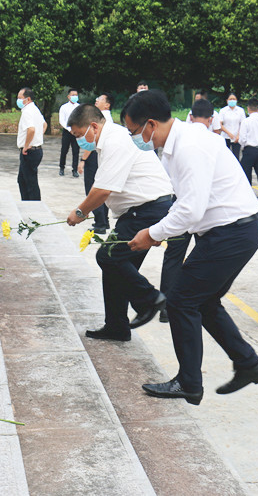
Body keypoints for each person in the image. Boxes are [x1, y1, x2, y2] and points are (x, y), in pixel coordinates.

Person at [124, 92, 258, 406]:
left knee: (180, 301)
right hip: (228, 231)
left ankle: (189, 383)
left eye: (135, 132)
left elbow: (191, 209)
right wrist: (159, 230)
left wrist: (152, 233)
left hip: (232, 232)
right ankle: (248, 364)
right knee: (203, 301)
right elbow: (185, 203)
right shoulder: (174, 147)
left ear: (151, 124)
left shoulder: (189, 146)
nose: (137, 139)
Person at [66, 104, 173, 342]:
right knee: (116, 268)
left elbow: (103, 189)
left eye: (78, 135)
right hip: (142, 210)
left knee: (108, 257)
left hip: (146, 209)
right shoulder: (110, 140)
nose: (78, 141)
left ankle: (150, 299)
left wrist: (80, 212)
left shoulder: (116, 141)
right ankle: (117, 326)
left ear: (94, 127)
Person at [76, 93, 113, 234]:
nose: (97, 101)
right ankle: (104, 220)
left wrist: (83, 160)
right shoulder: (106, 117)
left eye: (100, 99)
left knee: (92, 188)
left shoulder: (101, 119)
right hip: (98, 153)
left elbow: (92, 141)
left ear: (107, 105)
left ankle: (100, 222)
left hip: (93, 155)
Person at [16, 87, 46, 201]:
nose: (18, 100)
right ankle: (26, 203)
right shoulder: (34, 109)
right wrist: (38, 137)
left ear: (28, 99)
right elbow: (44, 125)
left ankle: (34, 205)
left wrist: (26, 145)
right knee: (22, 180)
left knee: (30, 182)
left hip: (29, 151)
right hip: (35, 150)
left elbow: (31, 129)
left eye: (20, 98)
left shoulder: (27, 112)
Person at [58, 88, 81, 177]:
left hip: (77, 131)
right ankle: (61, 168)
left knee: (76, 151)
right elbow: (62, 120)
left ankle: (75, 170)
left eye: (76, 95)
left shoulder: (79, 107)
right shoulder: (64, 107)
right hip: (67, 131)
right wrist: (69, 129)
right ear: (68, 96)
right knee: (64, 150)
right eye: (73, 95)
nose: (75, 97)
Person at [218, 92, 246, 159]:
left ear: (236, 100)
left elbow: (243, 124)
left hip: (237, 138)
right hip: (225, 136)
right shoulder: (223, 110)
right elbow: (219, 124)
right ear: (227, 100)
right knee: (225, 156)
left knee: (236, 156)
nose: (232, 100)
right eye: (230, 99)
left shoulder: (240, 110)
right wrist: (229, 133)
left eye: (234, 99)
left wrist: (238, 136)